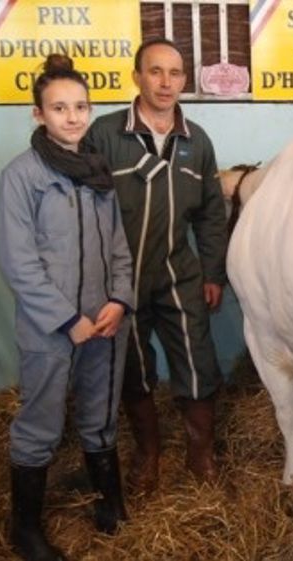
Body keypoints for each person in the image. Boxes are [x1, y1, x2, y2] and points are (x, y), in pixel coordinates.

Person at [0, 54, 133, 560]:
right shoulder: (22, 176)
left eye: (80, 106)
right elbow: (19, 263)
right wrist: (65, 319)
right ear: (39, 115)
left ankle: (109, 504)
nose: (72, 117)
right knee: (41, 421)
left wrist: (120, 300)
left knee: (100, 412)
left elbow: (118, 246)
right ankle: (26, 530)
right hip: (50, 328)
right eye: (59, 108)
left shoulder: (97, 173)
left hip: (103, 322)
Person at [86, 38, 228, 494]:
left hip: (177, 270)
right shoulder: (105, 135)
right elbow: (80, 207)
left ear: (185, 80)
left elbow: (210, 213)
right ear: (136, 76)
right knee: (133, 365)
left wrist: (212, 272)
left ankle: (200, 455)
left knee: (197, 358)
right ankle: (149, 454)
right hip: (120, 280)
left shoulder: (197, 140)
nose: (166, 83)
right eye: (155, 71)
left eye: (175, 73)